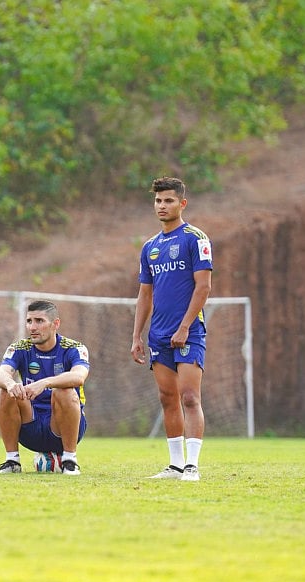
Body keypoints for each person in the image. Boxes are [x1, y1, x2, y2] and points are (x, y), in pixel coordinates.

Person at [131, 176, 213, 483]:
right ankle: (175, 465)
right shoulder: (150, 247)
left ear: (182, 203)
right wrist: (137, 335)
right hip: (159, 335)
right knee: (168, 398)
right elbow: (144, 294)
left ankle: (192, 466)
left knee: (190, 396)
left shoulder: (196, 239)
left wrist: (185, 326)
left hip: (188, 333)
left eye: (168, 200)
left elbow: (203, 288)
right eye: (158, 201)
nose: (162, 206)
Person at [0, 299, 89, 476]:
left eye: (39, 321)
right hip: (31, 427)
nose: (32, 327)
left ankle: (69, 460)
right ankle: (12, 461)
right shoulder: (19, 348)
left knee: (65, 390)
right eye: (29, 321)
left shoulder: (74, 348)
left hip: (64, 429)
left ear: (55, 324)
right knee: (6, 390)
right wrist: (11, 384)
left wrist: (45, 382)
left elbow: (79, 376)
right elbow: (1, 375)